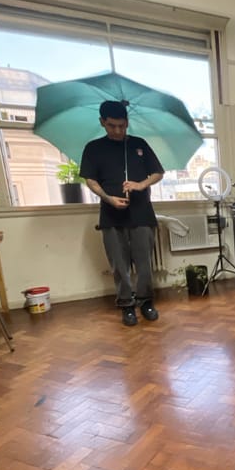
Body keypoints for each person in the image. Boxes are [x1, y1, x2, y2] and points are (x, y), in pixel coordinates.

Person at [80, 100, 164, 326]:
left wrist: (140, 185)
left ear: (127, 122)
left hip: (142, 213)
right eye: (111, 125)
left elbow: (158, 173)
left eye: (122, 125)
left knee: (145, 263)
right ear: (102, 122)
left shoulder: (139, 144)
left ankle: (146, 302)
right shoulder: (93, 148)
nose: (117, 130)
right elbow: (90, 179)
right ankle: (126, 305)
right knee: (119, 265)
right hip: (111, 216)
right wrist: (108, 198)